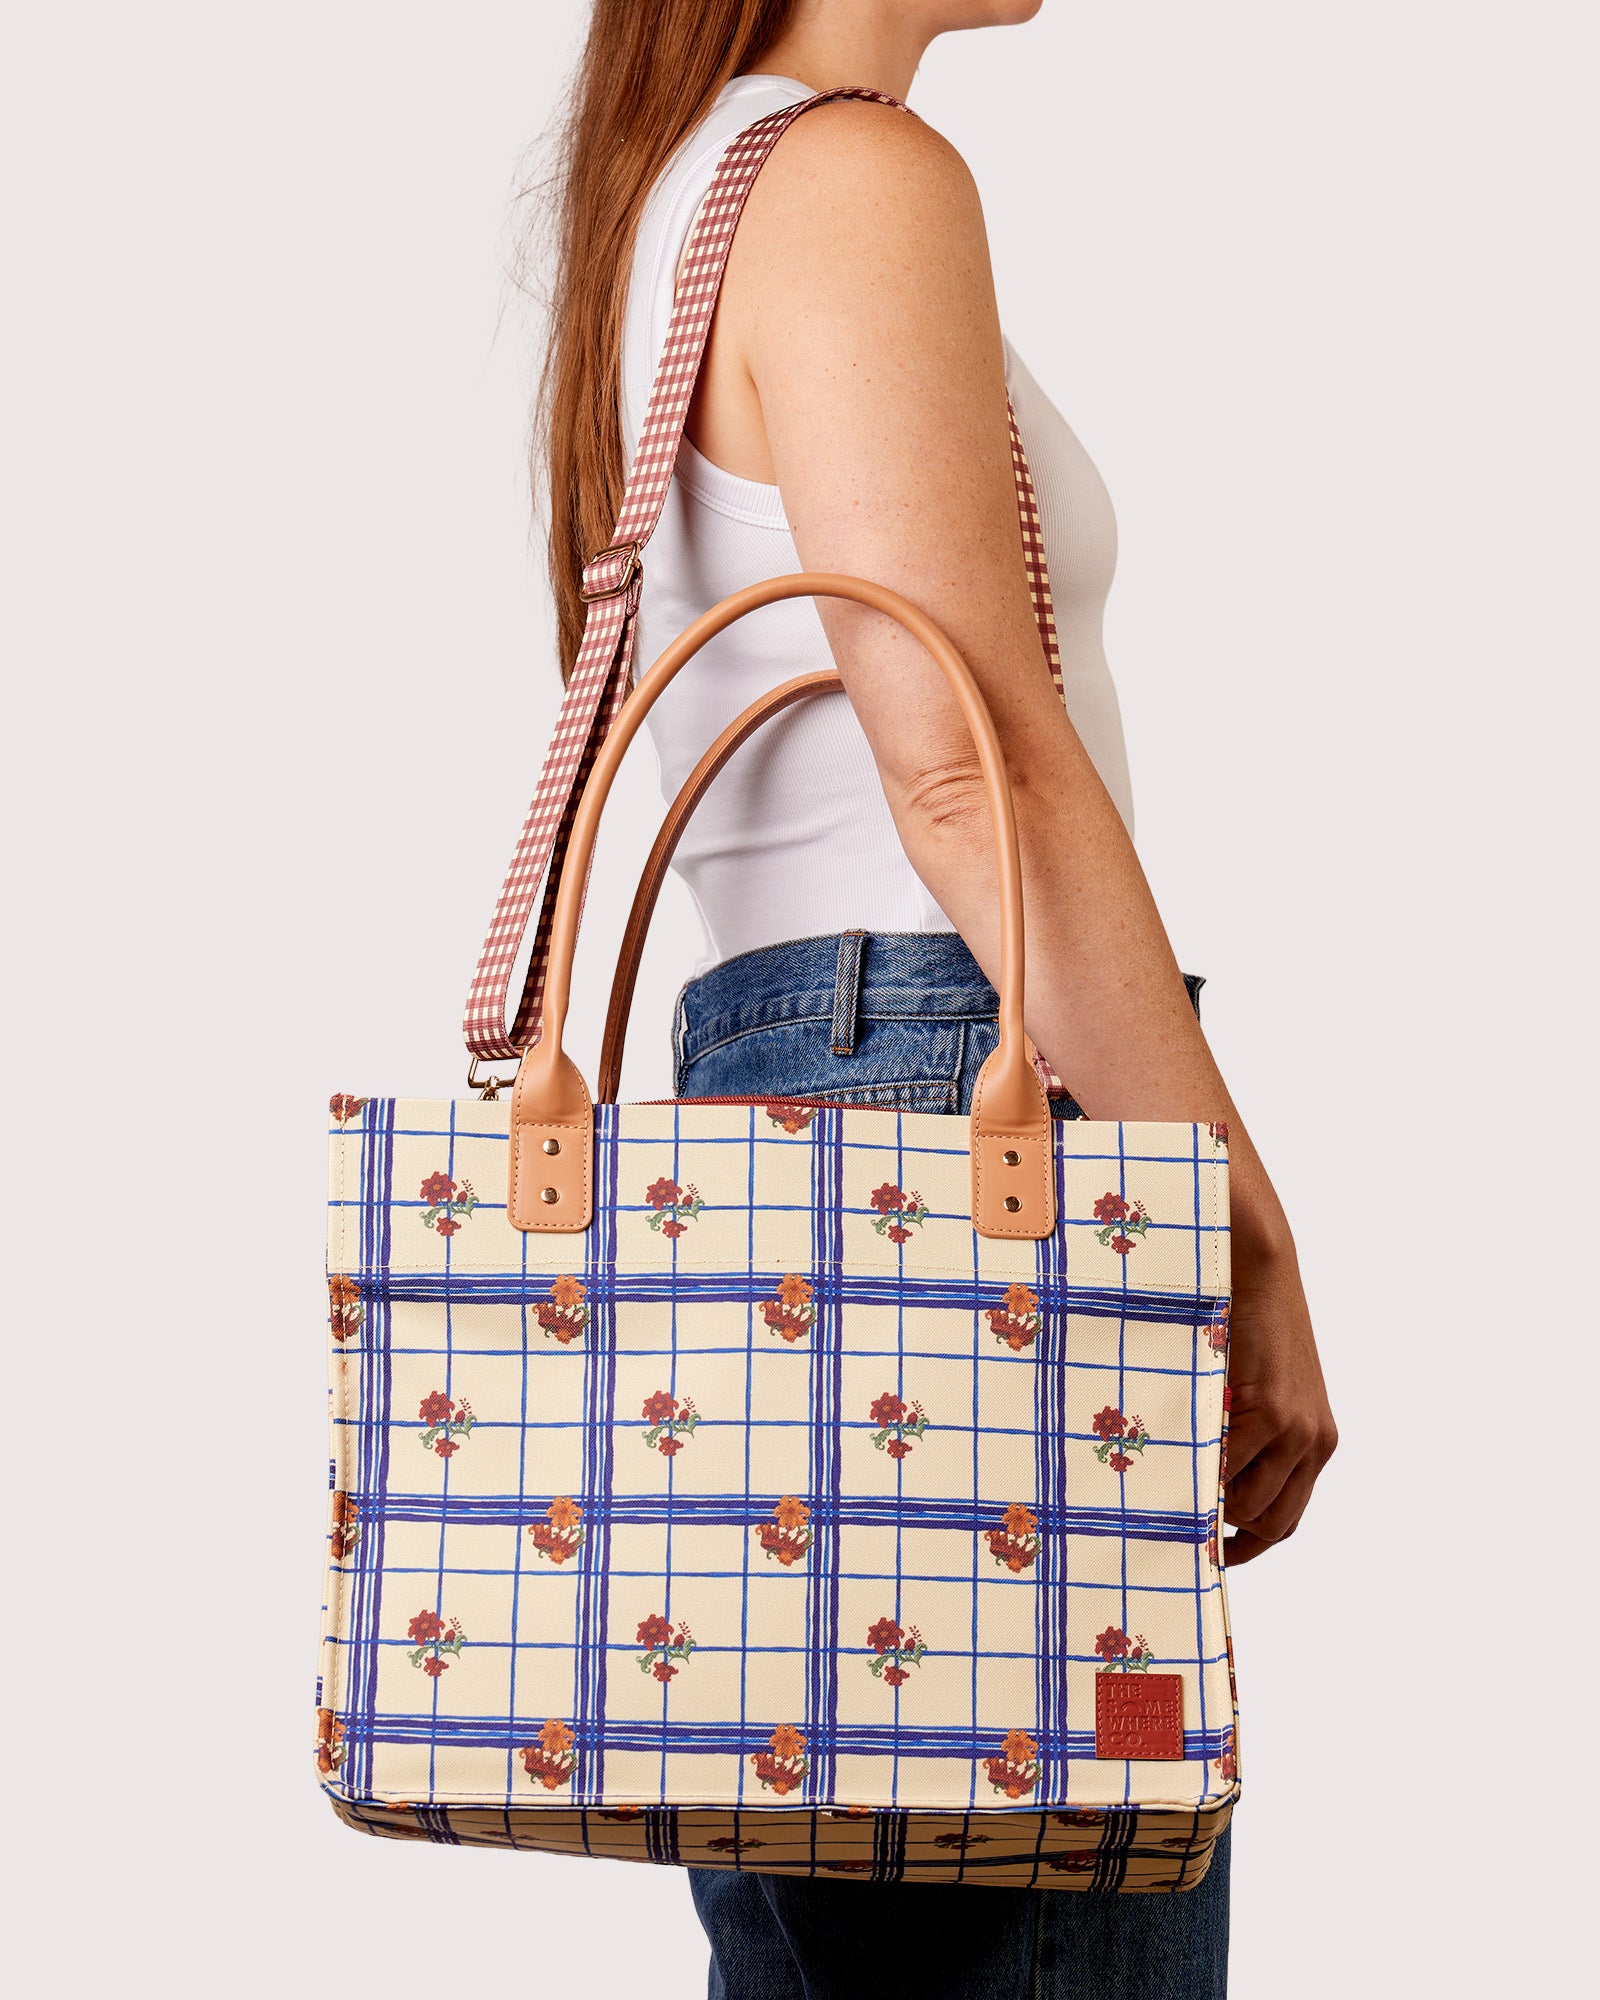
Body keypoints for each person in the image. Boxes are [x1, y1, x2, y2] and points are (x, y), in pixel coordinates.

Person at [536, 2, 1337, 1993]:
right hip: (943, 1088)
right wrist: (1231, 1208)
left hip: (768, 1097)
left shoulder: (677, 196)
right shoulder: (849, 176)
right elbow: (967, 771)